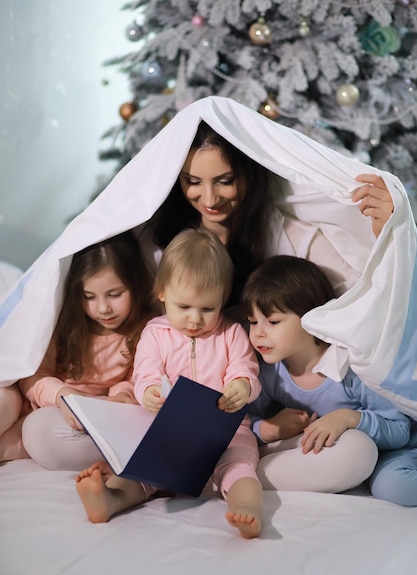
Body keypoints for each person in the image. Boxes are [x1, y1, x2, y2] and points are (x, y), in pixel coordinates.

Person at [75, 229, 263, 539]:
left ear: (223, 301)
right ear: (162, 292)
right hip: (171, 432)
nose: (195, 320)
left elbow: (246, 368)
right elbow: (145, 373)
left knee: (239, 465)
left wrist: (242, 386)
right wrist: (147, 393)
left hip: (227, 430)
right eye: (184, 307)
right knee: (144, 471)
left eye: (208, 309)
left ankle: (249, 509)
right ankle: (109, 500)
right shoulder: (155, 333)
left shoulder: (231, 333)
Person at [138, 120, 394, 305]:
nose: (209, 198)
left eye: (225, 181)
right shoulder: (158, 242)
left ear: (250, 174)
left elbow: (360, 297)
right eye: (192, 182)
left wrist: (385, 235)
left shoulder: (294, 240)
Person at [239, 255, 411, 493]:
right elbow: (242, 421)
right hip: (330, 453)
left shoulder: (348, 368)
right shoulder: (271, 373)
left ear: (312, 316)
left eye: (272, 321)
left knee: (372, 463)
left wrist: (348, 418)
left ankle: (247, 477)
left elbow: (400, 430)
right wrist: (267, 428)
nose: (258, 333)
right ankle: (241, 477)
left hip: (384, 453)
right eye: (252, 322)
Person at [16, 231, 157, 470]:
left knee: (39, 430)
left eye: (115, 295)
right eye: (88, 297)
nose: (103, 308)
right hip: (46, 403)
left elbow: (136, 377)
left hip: (82, 418)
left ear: (135, 286)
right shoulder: (65, 323)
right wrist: (63, 394)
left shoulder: (145, 329)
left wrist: (123, 395)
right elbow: (31, 375)